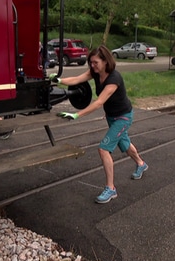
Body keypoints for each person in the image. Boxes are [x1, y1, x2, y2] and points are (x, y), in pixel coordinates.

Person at [49, 45, 148, 204]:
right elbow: (76, 79)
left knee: (103, 149)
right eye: (91, 62)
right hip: (112, 117)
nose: (92, 65)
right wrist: (59, 80)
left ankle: (111, 189)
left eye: (95, 62)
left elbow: (99, 102)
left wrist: (76, 115)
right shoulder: (95, 73)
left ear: (105, 61)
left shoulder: (114, 78)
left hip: (123, 117)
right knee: (125, 143)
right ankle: (141, 164)